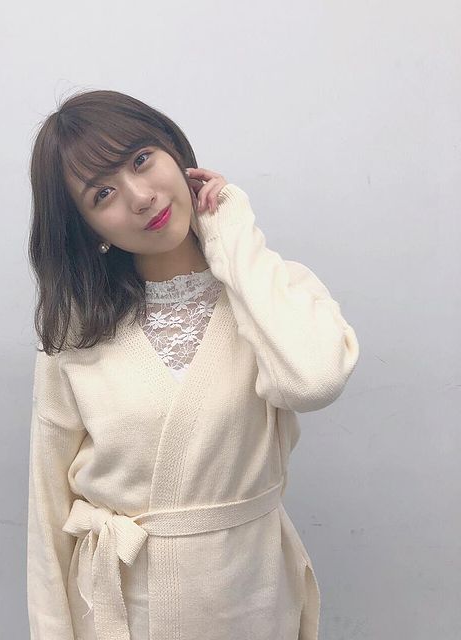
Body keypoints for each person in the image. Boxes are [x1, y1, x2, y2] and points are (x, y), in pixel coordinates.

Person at [26, 88, 360, 640]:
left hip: (252, 599)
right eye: (103, 193)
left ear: (176, 152)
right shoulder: (75, 334)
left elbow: (313, 381)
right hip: (122, 612)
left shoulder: (275, 293)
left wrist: (231, 232)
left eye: (141, 160)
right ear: (88, 228)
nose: (140, 197)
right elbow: (46, 509)